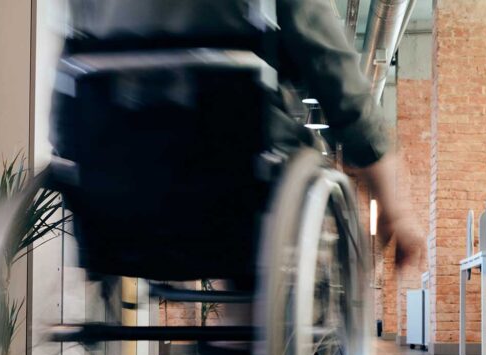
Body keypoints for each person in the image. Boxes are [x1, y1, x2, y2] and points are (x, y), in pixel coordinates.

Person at [65, 0, 424, 268]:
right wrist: (393, 204)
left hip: (116, 176)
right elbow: (334, 71)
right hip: (230, 171)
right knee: (263, 157)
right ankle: (241, 350)